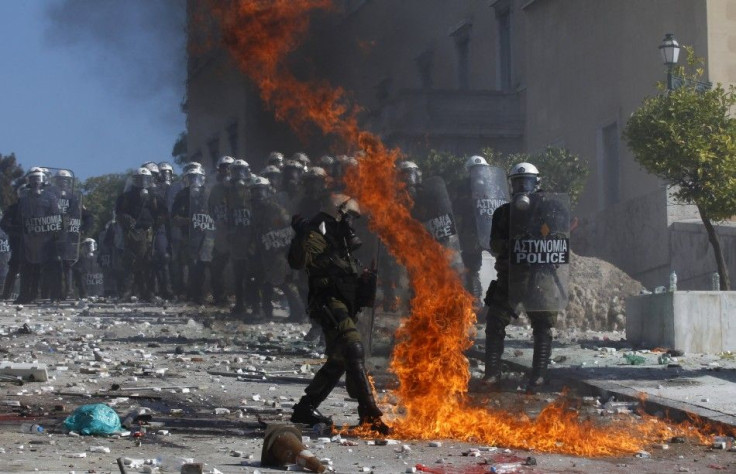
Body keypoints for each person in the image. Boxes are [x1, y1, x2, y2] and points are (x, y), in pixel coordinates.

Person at [288, 193, 388, 435]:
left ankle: (305, 408)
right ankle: (371, 414)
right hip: (328, 301)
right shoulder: (317, 231)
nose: (353, 222)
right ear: (338, 212)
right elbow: (298, 262)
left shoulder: (340, 238)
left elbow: (346, 270)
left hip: (343, 302)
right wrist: (304, 235)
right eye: (351, 216)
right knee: (353, 348)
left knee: (339, 359)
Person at [482, 162, 560, 393]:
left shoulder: (549, 210)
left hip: (540, 276)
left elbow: (558, 238)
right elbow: (495, 244)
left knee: (543, 326)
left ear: (537, 184)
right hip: (510, 276)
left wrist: (540, 237)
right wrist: (513, 243)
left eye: (526, 182)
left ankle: (538, 376)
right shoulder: (503, 213)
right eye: (518, 183)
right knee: (495, 322)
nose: (522, 188)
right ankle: (492, 375)